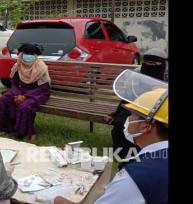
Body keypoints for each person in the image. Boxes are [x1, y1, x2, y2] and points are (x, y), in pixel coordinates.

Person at [54, 70, 168, 204]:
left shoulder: (136, 176)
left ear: (145, 126)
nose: (127, 119)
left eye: (131, 115)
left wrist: (57, 200)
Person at [104, 48, 167, 167]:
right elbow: (126, 99)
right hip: (135, 111)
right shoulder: (135, 78)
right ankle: (124, 161)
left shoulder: (166, 79)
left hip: (158, 116)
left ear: (162, 64)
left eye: (153, 63)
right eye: (146, 62)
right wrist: (115, 114)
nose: (149, 66)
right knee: (120, 125)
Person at [0, 43, 51, 141]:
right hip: (20, 91)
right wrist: (18, 94)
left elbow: (43, 88)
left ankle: (27, 132)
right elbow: (14, 83)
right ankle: (6, 128)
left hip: (37, 93)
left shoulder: (41, 68)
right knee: (2, 100)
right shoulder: (18, 66)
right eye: (26, 53)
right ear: (21, 55)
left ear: (36, 55)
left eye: (32, 54)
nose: (29, 56)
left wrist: (25, 96)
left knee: (25, 106)